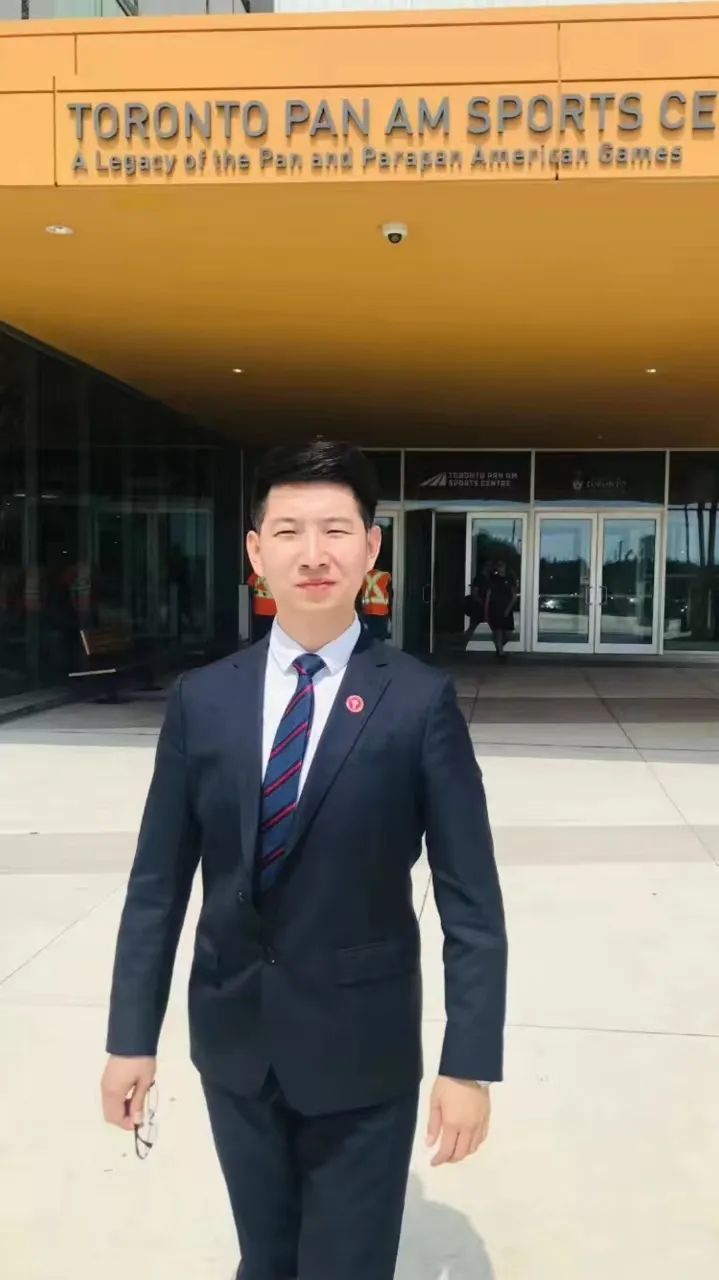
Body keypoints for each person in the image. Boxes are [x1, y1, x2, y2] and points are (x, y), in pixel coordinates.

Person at [101, 439, 508, 1280]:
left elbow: (470, 901)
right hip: (235, 1048)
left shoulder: (418, 702)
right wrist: (130, 1039)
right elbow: (156, 887)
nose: (313, 553)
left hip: (363, 1052)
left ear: (371, 548)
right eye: (288, 531)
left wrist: (468, 1063)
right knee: (266, 1260)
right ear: (256, 552)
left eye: (335, 530)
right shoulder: (203, 699)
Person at [484, 560, 518, 661]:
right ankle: (500, 652)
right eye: (498, 565)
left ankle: (499, 646)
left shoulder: (510, 579)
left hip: (506, 607)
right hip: (495, 607)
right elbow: (488, 595)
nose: (499, 567)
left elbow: (514, 596)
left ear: (505, 566)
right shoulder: (493, 579)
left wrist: (508, 609)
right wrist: (486, 610)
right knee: (498, 629)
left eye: (501, 565)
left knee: (508, 633)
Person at [361, 565, 392, 640]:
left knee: (370, 634)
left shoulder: (364, 576)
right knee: (380, 636)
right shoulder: (385, 575)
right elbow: (390, 593)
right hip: (381, 611)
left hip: (368, 610)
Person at [247, 567, 277, 640]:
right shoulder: (277, 573)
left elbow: (249, 583)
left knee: (259, 634)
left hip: (259, 609)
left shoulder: (257, 573)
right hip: (273, 610)